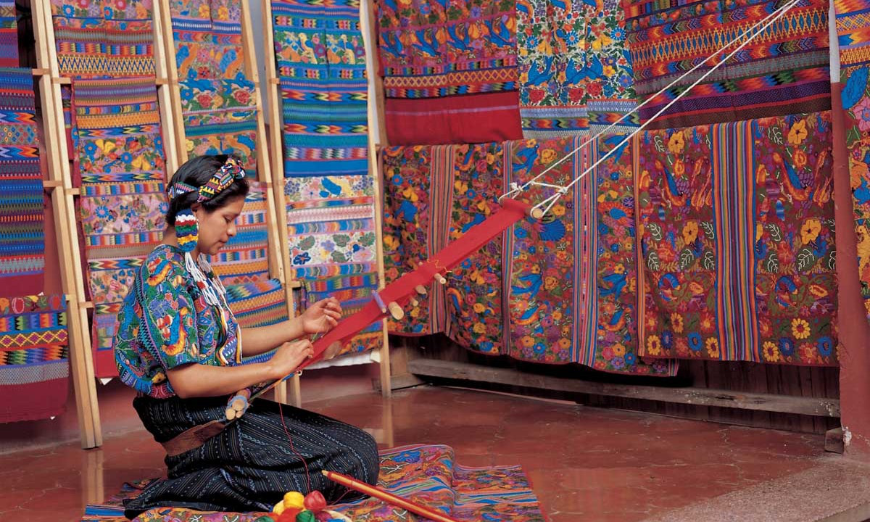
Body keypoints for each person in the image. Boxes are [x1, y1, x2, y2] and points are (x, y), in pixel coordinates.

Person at [113, 155, 379, 517]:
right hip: (189, 416)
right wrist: (271, 368)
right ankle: (194, 481)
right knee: (353, 465)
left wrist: (300, 325)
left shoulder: (192, 266)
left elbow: (227, 341)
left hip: (215, 404)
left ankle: (214, 471)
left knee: (360, 448)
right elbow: (187, 381)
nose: (233, 231)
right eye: (228, 219)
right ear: (196, 210)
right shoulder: (164, 274)